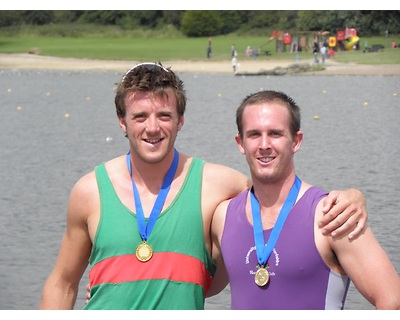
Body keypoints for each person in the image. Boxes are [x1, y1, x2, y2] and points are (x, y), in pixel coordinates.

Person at [39, 62, 368, 310]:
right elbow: (63, 283)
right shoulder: (89, 191)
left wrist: (352, 197)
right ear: (122, 122)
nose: (152, 128)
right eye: (140, 116)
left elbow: (285, 198)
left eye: (164, 115)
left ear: (180, 120)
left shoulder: (220, 186)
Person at [210, 90, 400, 309]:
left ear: (296, 141)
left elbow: (392, 300)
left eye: (275, 134)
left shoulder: (333, 215)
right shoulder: (223, 217)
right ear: (240, 143)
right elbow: (201, 287)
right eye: (254, 134)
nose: (264, 145)